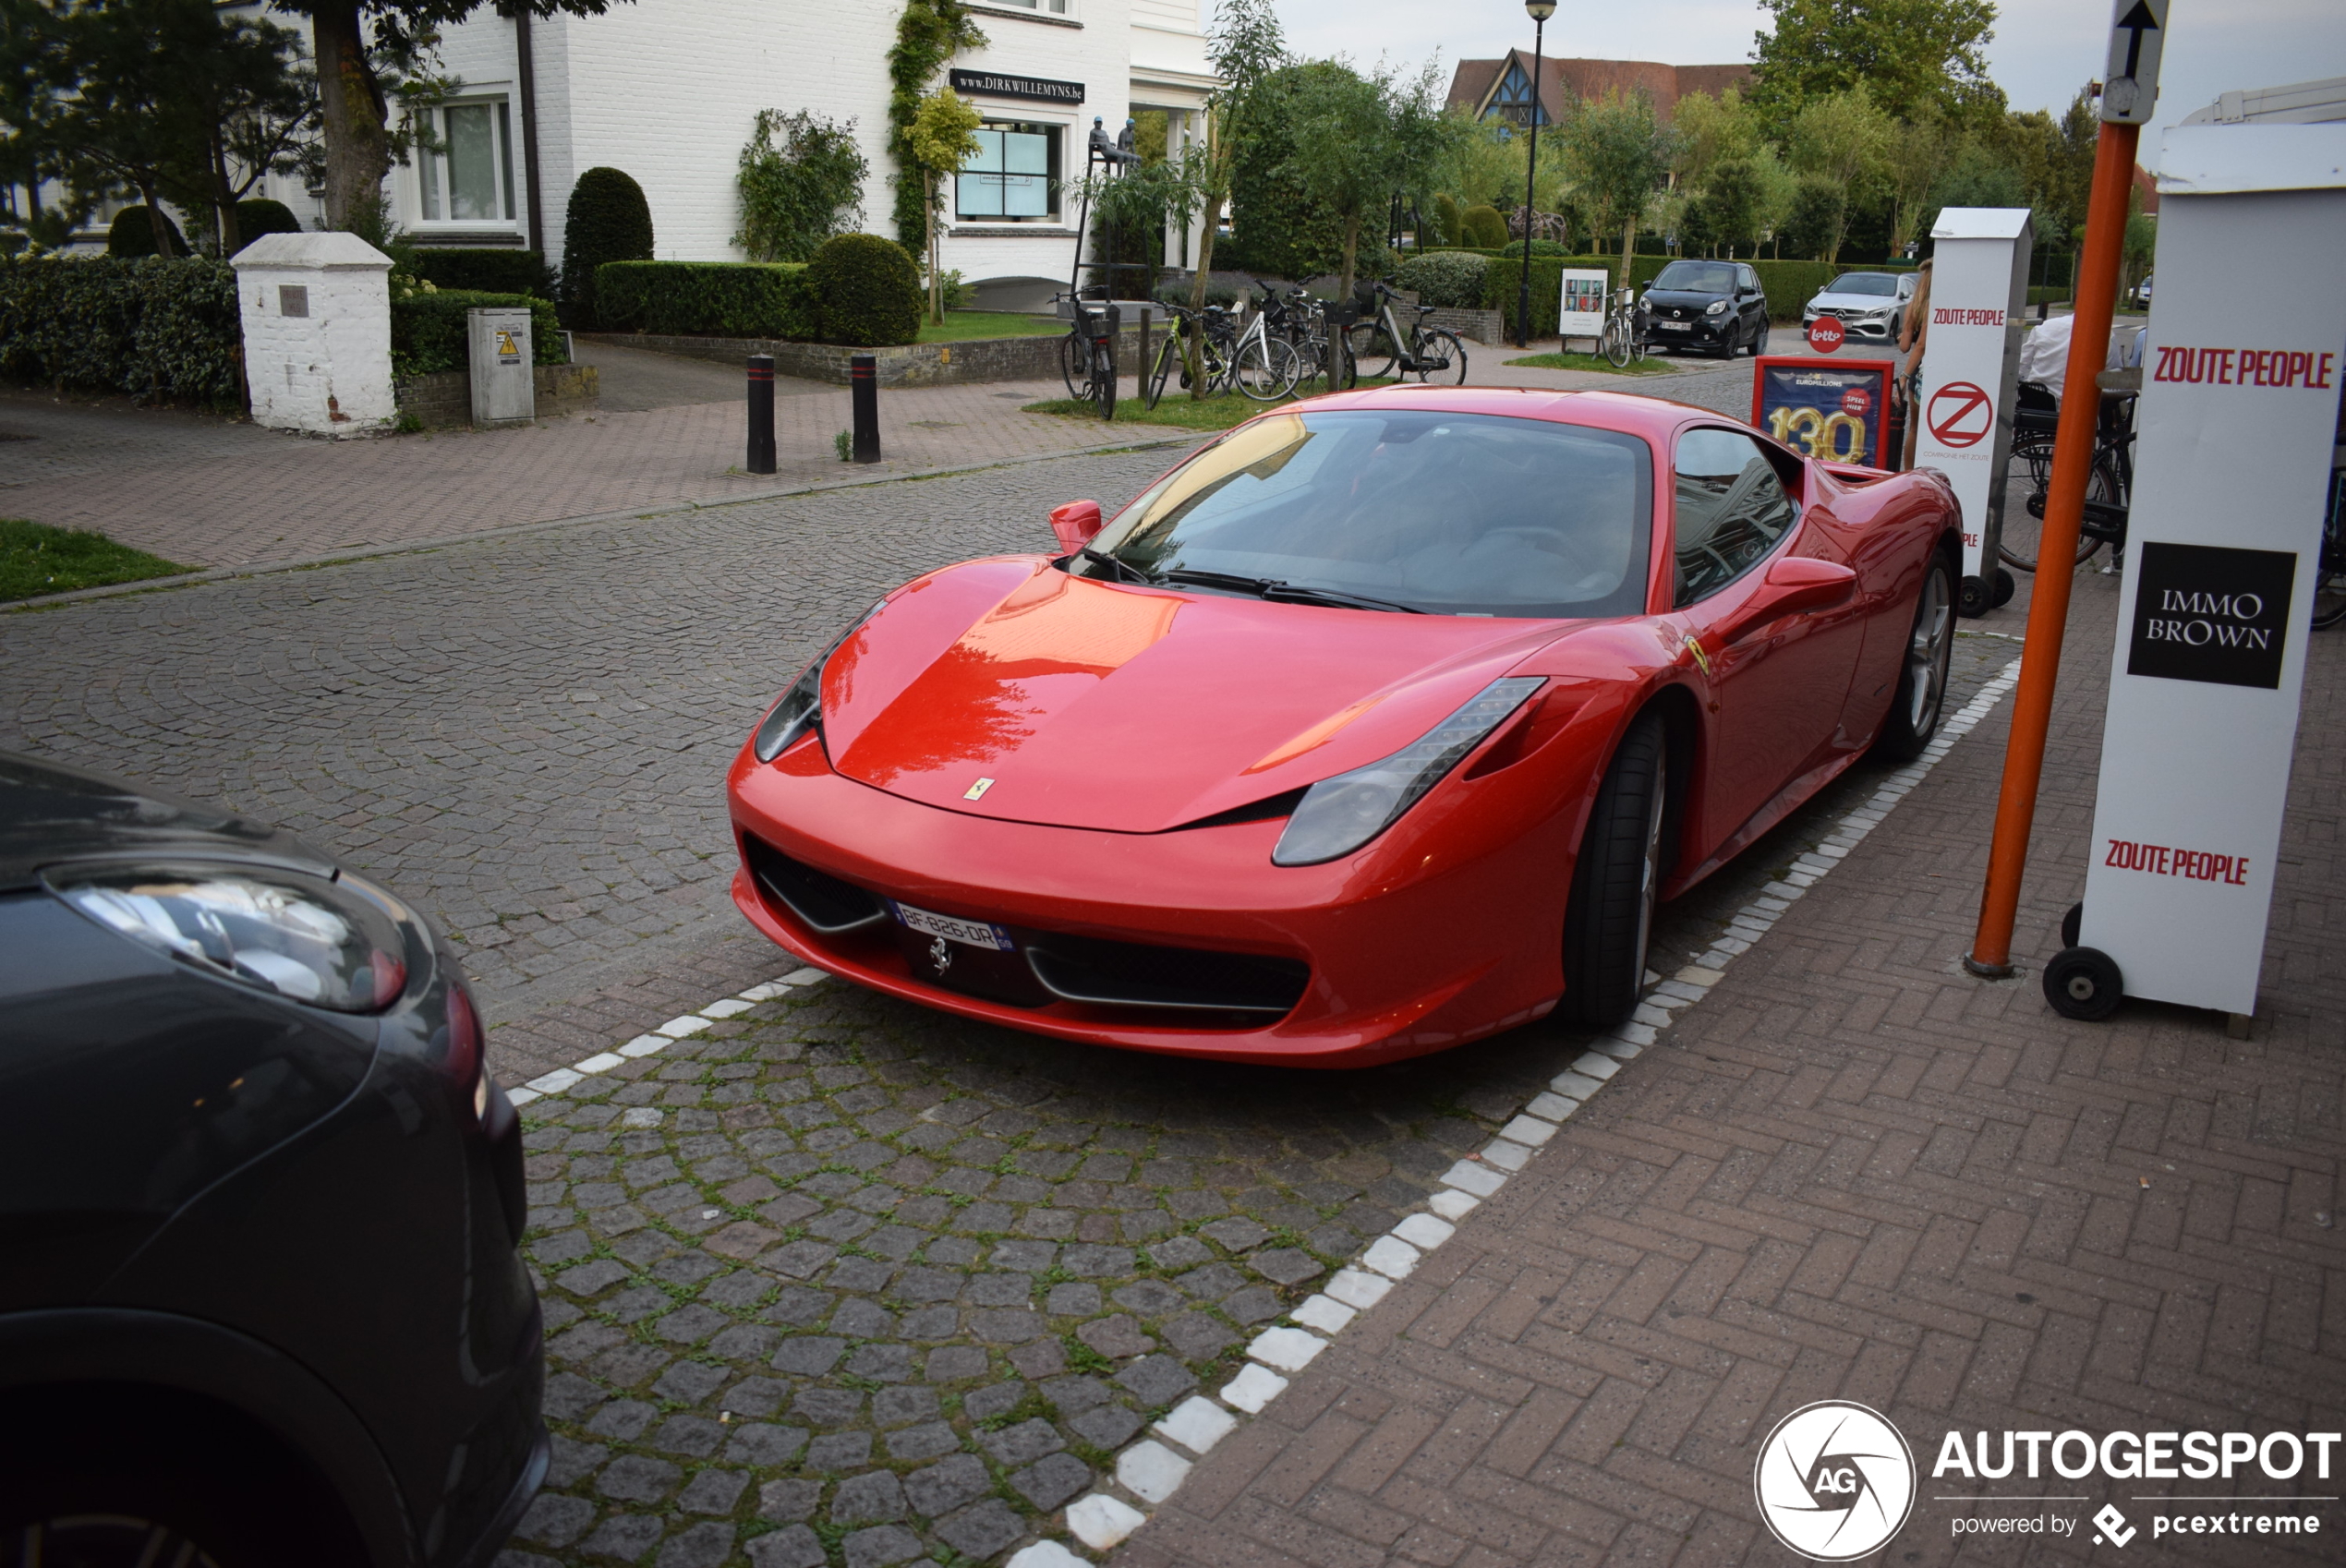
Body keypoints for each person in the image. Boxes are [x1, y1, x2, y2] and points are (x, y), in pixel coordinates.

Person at [1896, 258, 1932, 468]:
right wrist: (1904, 376)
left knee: (1915, 428)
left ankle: (1908, 474)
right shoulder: (1937, 307)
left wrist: (1903, 336)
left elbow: (1905, 347)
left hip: (1915, 370)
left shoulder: (1914, 307)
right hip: (1927, 370)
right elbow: (1922, 345)